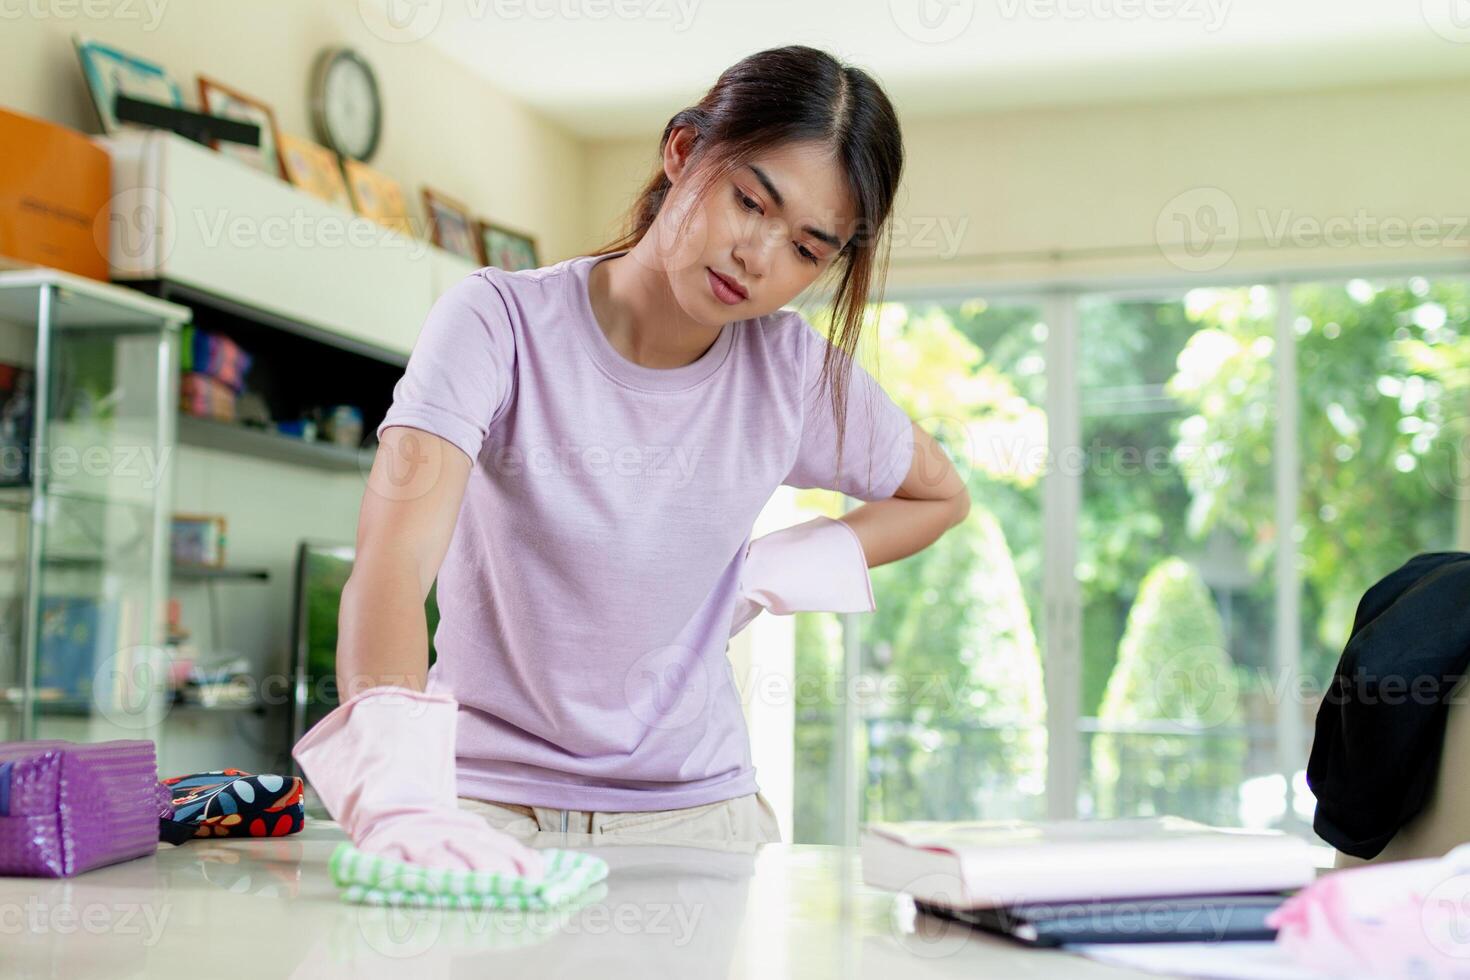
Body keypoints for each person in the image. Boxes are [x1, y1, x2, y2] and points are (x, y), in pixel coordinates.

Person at [292, 45, 970, 875]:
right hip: (480, 804)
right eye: (750, 201)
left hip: (697, 819)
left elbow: (939, 496)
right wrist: (400, 797)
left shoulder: (791, 374)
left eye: (806, 249)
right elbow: (393, 568)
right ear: (683, 153)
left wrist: (766, 572)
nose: (759, 257)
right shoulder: (497, 324)